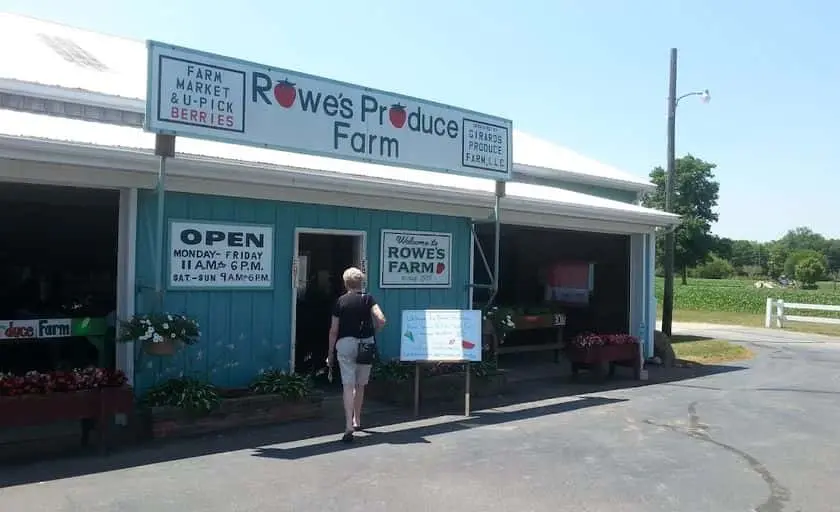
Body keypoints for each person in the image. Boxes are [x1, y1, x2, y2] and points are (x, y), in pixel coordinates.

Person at [327, 267, 386, 443]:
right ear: (361, 282)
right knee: (360, 385)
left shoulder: (340, 302)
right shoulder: (368, 299)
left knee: (348, 385)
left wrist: (330, 352)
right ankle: (357, 419)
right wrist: (374, 331)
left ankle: (348, 426)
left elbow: (333, 330)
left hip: (345, 344)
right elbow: (382, 319)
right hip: (365, 344)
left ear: (345, 282)